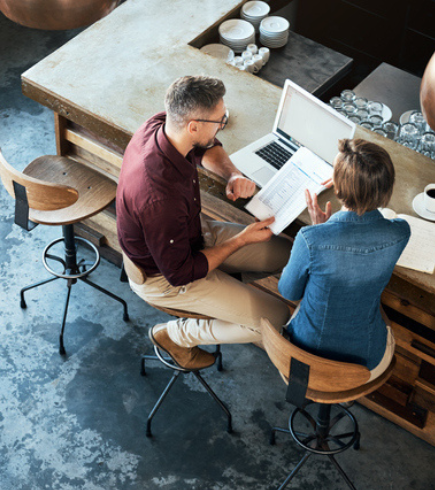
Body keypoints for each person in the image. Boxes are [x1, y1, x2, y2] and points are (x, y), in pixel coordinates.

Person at [117, 76, 291, 369]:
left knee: (286, 254)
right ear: (193, 125)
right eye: (218, 120)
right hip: (165, 276)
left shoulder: (162, 125)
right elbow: (181, 272)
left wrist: (233, 174)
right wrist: (241, 241)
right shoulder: (160, 199)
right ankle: (176, 336)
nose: (223, 125)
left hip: (190, 235)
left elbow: (204, 147)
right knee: (276, 318)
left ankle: (224, 287)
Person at [278, 139, 410, 377]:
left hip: (305, 357)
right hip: (364, 362)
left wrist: (320, 230)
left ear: (338, 188)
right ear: (387, 188)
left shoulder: (310, 239)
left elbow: (289, 292)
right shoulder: (400, 232)